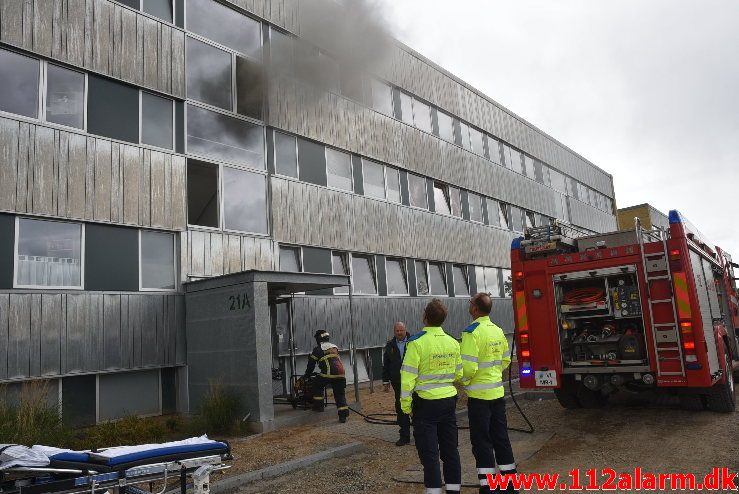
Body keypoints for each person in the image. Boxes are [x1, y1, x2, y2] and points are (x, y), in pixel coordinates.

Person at [401, 299, 462, 494]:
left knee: (430, 455)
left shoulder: (416, 343)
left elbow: (407, 379)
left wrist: (405, 406)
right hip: (448, 402)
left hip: (425, 406)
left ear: (424, 316)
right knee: (450, 451)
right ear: (443, 319)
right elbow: (459, 374)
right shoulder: (453, 342)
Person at [461, 293, 518, 494]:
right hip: (497, 393)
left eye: (470, 303)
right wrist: (492, 375)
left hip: (479, 398)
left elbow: (467, 368)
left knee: (482, 442)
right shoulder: (497, 330)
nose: (469, 306)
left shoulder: (471, 332)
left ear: (476, 308)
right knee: (501, 438)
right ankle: (511, 485)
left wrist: (466, 382)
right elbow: (505, 360)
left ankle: (488, 488)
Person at [304, 330, 349, 423]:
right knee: (340, 394)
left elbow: (311, 365)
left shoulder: (318, 349)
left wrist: (307, 375)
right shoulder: (334, 347)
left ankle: (318, 407)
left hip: (327, 374)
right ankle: (343, 416)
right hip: (341, 374)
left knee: (317, 384)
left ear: (318, 339)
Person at [382, 321, 412, 446]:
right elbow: (386, 364)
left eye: (401, 330)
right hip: (398, 382)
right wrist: (385, 380)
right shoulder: (390, 345)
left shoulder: (414, 342)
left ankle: (420, 434)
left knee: (416, 406)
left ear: (406, 330)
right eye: (397, 331)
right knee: (401, 407)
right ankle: (404, 435)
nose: (399, 333)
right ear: (394, 332)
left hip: (413, 381)